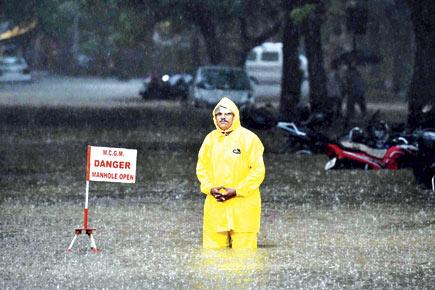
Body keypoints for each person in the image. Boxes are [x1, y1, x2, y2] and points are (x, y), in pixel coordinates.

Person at [196, 97, 265, 249]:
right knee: (212, 258)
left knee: (245, 259)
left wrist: (237, 191)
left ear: (235, 116)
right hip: (216, 207)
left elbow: (258, 171)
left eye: (228, 114)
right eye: (219, 114)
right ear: (214, 118)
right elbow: (202, 168)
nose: (223, 117)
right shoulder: (210, 140)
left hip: (244, 209)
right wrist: (209, 188)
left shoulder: (249, 139)